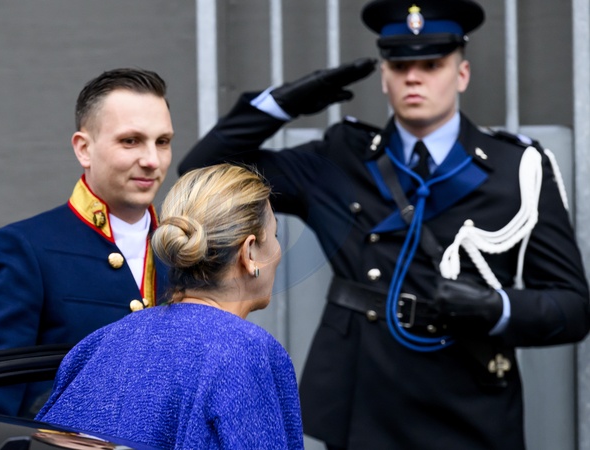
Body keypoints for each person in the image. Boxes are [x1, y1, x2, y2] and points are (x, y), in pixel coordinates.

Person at [178, 0, 590, 449]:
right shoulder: (342, 158)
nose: (413, 77)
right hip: (366, 405)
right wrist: (281, 104)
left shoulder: (518, 169)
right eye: (399, 65)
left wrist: (498, 308)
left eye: (431, 64)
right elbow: (203, 171)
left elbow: (573, 308)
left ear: (462, 73)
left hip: (471, 403)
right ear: (384, 76)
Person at [0, 68, 174, 418]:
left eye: (163, 142)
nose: (152, 160)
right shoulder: (27, 248)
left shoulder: (183, 253)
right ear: (84, 148)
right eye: (130, 141)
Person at [36, 163, 304, 450]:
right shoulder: (249, 352)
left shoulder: (99, 342)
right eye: (275, 236)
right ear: (249, 252)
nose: (277, 250)